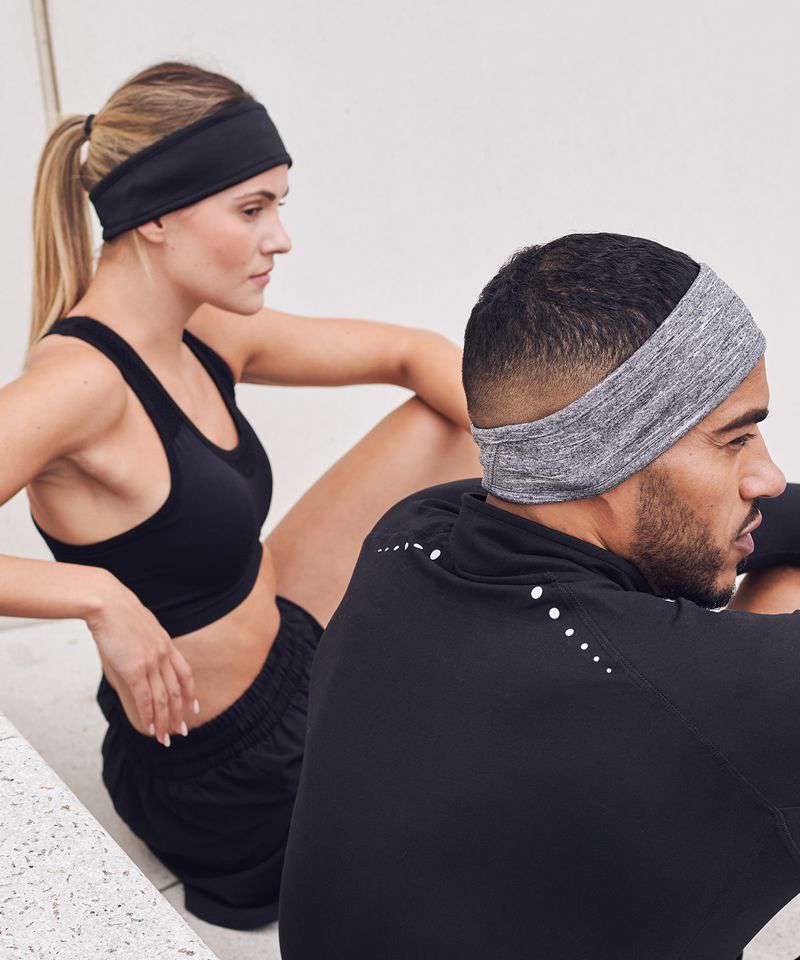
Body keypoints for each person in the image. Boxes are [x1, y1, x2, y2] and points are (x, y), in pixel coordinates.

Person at [4, 59, 482, 930]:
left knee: (449, 425)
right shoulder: (79, 384)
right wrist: (96, 594)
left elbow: (412, 352)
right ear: (157, 215)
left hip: (285, 654)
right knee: (517, 805)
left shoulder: (204, 332)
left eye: (278, 207)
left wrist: (571, 470)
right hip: (230, 780)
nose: (280, 238)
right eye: (252, 209)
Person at [278, 232, 800, 959]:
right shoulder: (703, 688)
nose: (767, 477)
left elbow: (779, 519)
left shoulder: (414, 533)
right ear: (606, 454)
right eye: (735, 440)